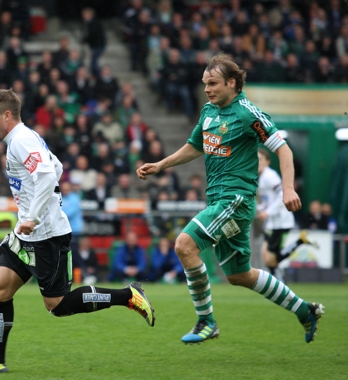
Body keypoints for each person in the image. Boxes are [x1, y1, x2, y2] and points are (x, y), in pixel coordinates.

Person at [0, 89, 155, 374]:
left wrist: (34, 215)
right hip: (29, 233)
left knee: (57, 305)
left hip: (47, 234)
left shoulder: (21, 141)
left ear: (6, 115)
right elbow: (57, 166)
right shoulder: (23, 138)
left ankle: (127, 295)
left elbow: (48, 174)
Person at [136, 53, 324, 344]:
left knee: (184, 245)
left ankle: (206, 321)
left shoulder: (248, 113)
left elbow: (283, 149)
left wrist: (288, 188)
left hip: (236, 200)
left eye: (213, 83)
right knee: (239, 275)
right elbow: (194, 146)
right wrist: (161, 165)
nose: (207, 89)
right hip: (218, 201)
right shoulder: (208, 112)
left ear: (232, 83)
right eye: (204, 84)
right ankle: (304, 310)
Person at [257, 148, 317, 280]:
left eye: (260, 159)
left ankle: (300, 242)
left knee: (271, 259)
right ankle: (278, 281)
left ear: (267, 162)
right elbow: (269, 200)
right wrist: (259, 208)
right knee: (265, 256)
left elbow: (281, 194)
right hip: (272, 222)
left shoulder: (269, 175)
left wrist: (267, 212)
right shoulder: (261, 177)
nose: (257, 162)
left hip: (281, 222)